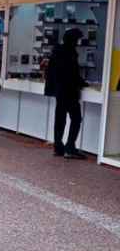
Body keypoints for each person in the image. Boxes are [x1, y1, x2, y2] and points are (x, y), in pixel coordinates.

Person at [45, 28, 88, 159]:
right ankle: (70, 147)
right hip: (69, 91)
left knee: (60, 119)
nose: (78, 42)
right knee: (76, 118)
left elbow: (52, 72)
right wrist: (82, 83)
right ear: (73, 39)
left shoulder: (57, 51)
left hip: (59, 91)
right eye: (77, 39)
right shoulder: (69, 53)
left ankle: (58, 147)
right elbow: (72, 73)